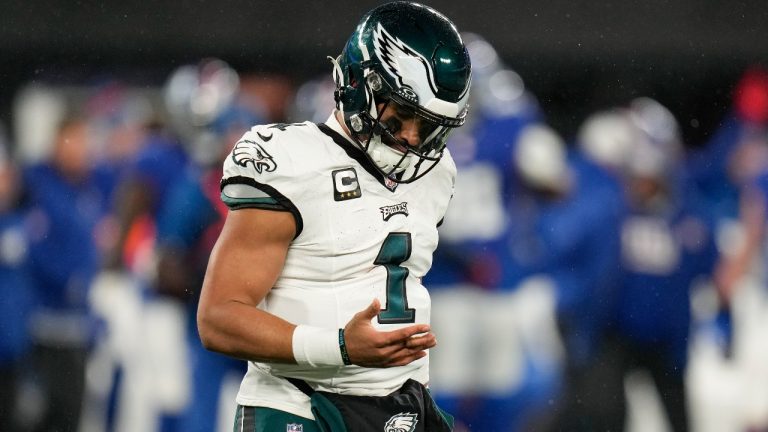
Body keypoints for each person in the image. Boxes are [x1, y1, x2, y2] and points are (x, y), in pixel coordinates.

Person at [196, 2, 471, 431]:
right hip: (300, 407)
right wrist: (339, 346)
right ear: (360, 86)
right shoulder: (291, 161)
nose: (413, 139)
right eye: (401, 114)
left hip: (402, 406)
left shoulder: (438, 173)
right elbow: (218, 318)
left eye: (429, 125)